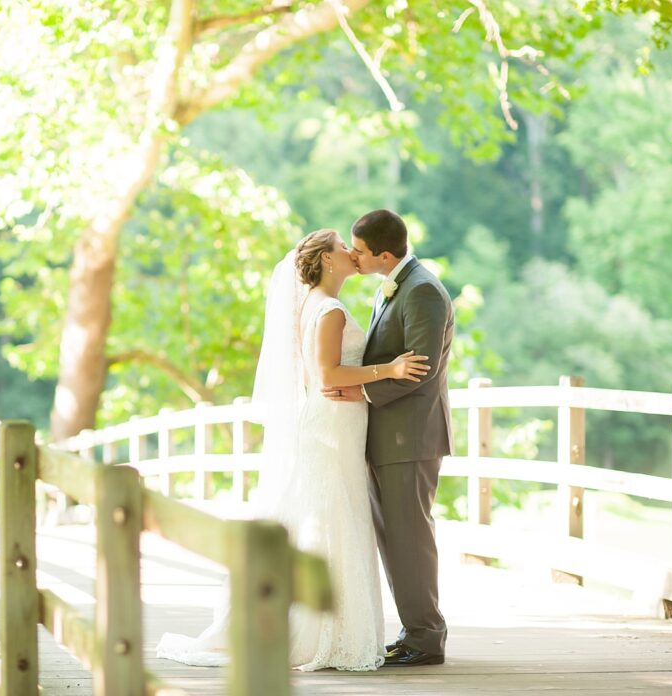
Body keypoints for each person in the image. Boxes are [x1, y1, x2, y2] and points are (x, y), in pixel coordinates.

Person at [157, 228, 429, 671]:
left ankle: (332, 627)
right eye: (344, 247)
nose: (351, 253)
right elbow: (327, 377)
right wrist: (391, 368)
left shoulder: (316, 306)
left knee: (332, 518)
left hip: (338, 423)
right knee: (333, 519)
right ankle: (326, 634)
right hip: (332, 425)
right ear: (325, 260)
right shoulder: (331, 310)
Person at [324, 209, 453, 667]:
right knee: (394, 538)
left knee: (409, 538)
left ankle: (426, 638)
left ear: (382, 254)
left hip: (409, 438)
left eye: (358, 251)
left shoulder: (421, 292)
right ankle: (414, 630)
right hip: (389, 436)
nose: (352, 257)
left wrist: (358, 388)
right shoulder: (397, 286)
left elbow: (420, 371)